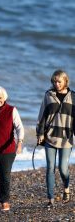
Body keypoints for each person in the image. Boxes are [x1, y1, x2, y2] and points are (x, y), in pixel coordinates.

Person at [36, 70, 75, 208]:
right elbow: (42, 115)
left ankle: (66, 188)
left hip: (66, 139)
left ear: (65, 81)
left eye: (59, 81)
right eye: (54, 81)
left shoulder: (73, 97)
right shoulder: (48, 95)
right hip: (50, 137)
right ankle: (50, 199)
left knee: (63, 168)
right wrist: (40, 133)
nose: (56, 84)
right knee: (50, 168)